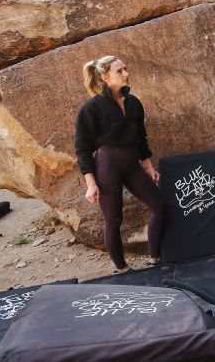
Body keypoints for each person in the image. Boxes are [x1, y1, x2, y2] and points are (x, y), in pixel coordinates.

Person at [75, 55, 166, 273]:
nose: (126, 74)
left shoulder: (134, 102)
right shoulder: (91, 108)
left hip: (132, 164)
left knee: (161, 207)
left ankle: (155, 259)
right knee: (114, 219)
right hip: (107, 166)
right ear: (105, 77)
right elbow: (83, 149)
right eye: (119, 71)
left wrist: (149, 167)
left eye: (125, 68)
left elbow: (141, 137)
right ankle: (122, 269)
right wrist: (91, 183)